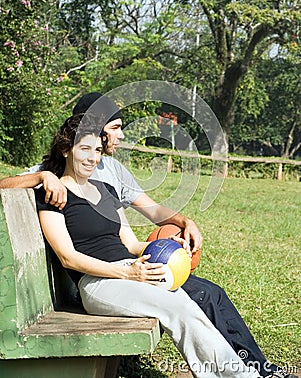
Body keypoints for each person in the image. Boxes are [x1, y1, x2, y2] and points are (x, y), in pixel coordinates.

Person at [0, 93, 295, 378]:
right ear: (67, 149)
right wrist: (127, 274)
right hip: (100, 282)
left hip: (130, 272)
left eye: (97, 151)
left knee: (190, 303)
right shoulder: (52, 194)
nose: (92, 158)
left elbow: (131, 243)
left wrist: (169, 247)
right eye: (84, 149)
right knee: (179, 307)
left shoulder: (107, 192)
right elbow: (68, 257)